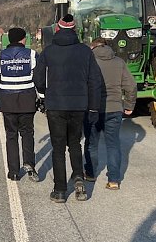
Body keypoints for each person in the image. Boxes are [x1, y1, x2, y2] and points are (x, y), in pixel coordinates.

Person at [33, 14, 104, 203]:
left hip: (55, 105)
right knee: (74, 143)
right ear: (74, 30)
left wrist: (44, 94)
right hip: (78, 106)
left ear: (57, 29)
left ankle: (60, 191)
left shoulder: (48, 51)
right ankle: (79, 179)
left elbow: (38, 78)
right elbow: (95, 81)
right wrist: (94, 108)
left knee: (58, 148)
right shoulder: (85, 51)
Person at [0, 26, 40, 182]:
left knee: (11, 136)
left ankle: (14, 172)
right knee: (27, 133)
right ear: (23, 39)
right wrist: (42, 98)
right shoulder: (32, 55)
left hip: (8, 102)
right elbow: (39, 79)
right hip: (27, 101)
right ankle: (29, 164)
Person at [84, 38, 137, 190]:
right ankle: (114, 180)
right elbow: (131, 86)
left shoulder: (89, 61)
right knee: (113, 144)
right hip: (114, 109)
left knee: (92, 143)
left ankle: (90, 173)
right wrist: (129, 105)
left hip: (92, 109)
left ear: (93, 47)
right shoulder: (119, 62)